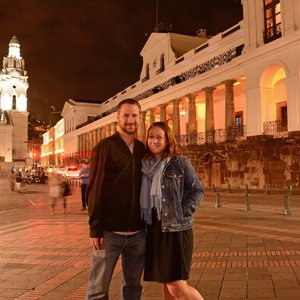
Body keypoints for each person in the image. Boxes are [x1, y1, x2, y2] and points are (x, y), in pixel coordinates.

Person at [86, 98, 146, 300]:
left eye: (134, 115)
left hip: (138, 233)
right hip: (109, 233)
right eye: (126, 115)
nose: (130, 119)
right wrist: (95, 227)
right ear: (118, 118)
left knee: (133, 288)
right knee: (98, 289)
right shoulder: (105, 146)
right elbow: (95, 187)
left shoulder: (142, 149)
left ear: (140, 118)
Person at [140, 122, 205, 300]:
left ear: (168, 140)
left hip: (176, 230)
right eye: (151, 136)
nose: (154, 140)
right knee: (166, 285)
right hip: (155, 230)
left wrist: (183, 210)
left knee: (177, 288)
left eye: (159, 137)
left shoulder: (179, 162)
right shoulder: (145, 165)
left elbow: (198, 190)